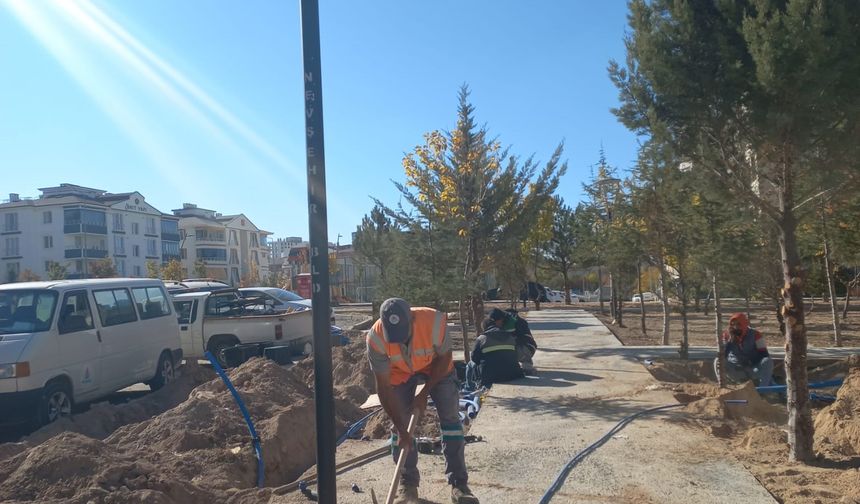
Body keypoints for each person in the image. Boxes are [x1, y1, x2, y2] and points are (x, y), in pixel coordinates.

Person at [366, 298, 479, 504]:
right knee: (398, 426)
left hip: (436, 367)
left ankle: (459, 485)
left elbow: (445, 358)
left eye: (403, 333)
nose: (400, 341)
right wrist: (402, 429)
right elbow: (383, 387)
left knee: (451, 421)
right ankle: (407, 485)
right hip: (399, 373)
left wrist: (424, 393)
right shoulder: (376, 338)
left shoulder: (433, 321)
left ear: (413, 318)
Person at [714, 312, 773, 387]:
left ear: (744, 324)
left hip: (752, 369)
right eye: (733, 324)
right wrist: (729, 341)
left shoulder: (756, 335)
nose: (735, 327)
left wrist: (750, 363)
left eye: (738, 324)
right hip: (736, 370)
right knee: (717, 361)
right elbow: (722, 355)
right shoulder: (726, 335)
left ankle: (762, 390)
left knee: (767, 361)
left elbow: (764, 354)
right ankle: (725, 386)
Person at [470, 318, 524, 386]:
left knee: (470, 364)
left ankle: (470, 388)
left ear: (484, 328)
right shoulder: (510, 336)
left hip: (491, 377)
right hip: (513, 374)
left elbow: (474, 358)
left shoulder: (482, 338)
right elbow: (518, 355)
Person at [488, 308, 538, 376]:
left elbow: (511, 340)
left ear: (502, 318)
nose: (496, 323)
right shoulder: (495, 323)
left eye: (497, 321)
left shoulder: (514, 322)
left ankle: (527, 364)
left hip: (527, 347)